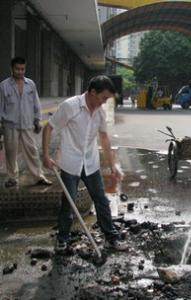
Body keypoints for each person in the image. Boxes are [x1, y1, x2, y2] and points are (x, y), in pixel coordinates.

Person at [42, 75, 127, 252]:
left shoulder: (100, 111)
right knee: (69, 203)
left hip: (90, 162)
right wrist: (45, 156)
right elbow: (48, 127)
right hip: (70, 162)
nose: (104, 103)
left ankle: (111, 237)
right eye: (103, 98)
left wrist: (113, 166)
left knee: (101, 200)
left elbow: (104, 138)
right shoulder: (70, 106)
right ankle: (62, 238)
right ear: (92, 92)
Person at [0, 56, 52, 188]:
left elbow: (36, 103)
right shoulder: (4, 86)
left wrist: (37, 120)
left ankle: (38, 176)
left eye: (22, 69)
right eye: (17, 69)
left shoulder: (31, 84)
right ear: (12, 69)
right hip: (10, 125)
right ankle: (12, 178)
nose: (20, 72)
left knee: (32, 151)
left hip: (27, 124)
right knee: (11, 153)